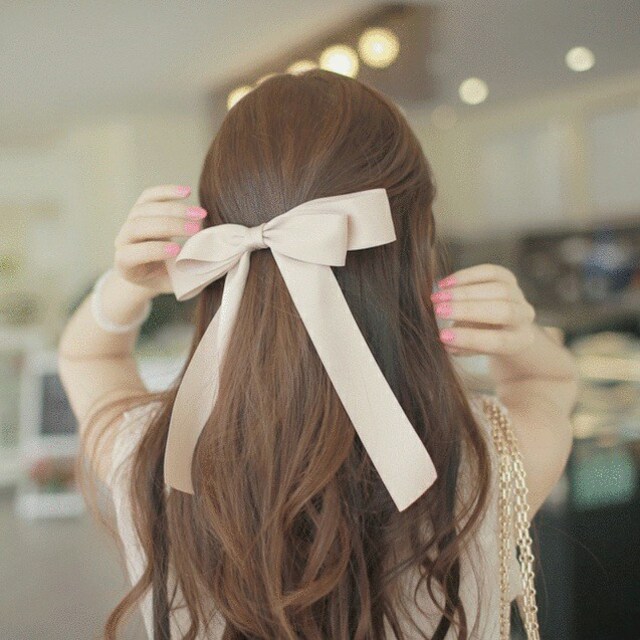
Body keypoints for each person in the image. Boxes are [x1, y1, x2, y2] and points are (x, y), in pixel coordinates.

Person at [57, 69, 579, 640]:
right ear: (416, 244)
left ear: (215, 245)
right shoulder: (487, 460)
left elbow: (88, 359)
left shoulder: (154, 464)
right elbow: (550, 387)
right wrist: (522, 337)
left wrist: (125, 283)